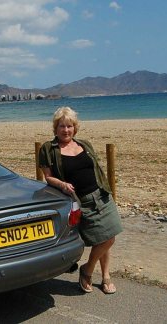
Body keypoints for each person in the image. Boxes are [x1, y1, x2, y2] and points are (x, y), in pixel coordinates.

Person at [37, 106, 123, 294]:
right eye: (62, 126)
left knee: (109, 236)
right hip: (81, 201)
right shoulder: (48, 149)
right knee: (103, 239)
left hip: (101, 195)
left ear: (75, 128)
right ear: (55, 128)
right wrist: (62, 185)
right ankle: (88, 271)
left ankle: (101, 274)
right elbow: (48, 177)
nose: (66, 130)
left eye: (69, 126)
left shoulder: (84, 144)